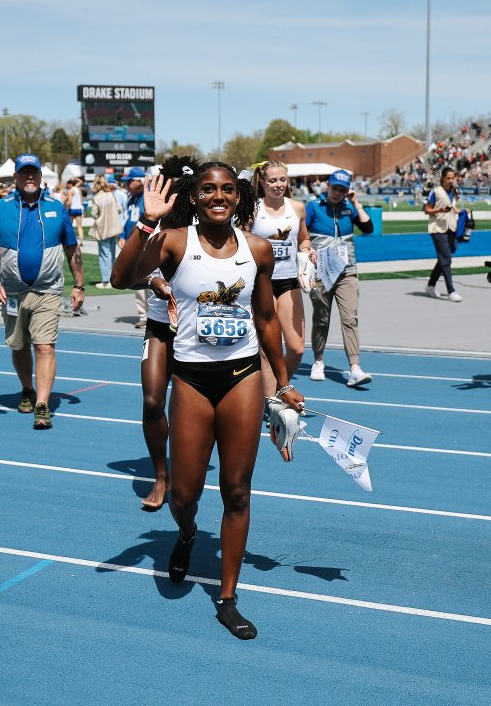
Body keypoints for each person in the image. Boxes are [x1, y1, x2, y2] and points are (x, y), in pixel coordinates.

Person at [111, 162, 304, 640]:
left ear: (238, 197)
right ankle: (188, 532)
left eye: (226, 190)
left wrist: (281, 382)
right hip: (192, 381)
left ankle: (228, 597)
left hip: (241, 378)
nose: (217, 196)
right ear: (193, 197)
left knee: (237, 491)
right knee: (184, 495)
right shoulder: (175, 242)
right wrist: (146, 222)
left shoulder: (258, 249)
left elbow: (265, 320)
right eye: (207, 190)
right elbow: (120, 278)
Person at [115, 154, 197, 511]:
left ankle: (186, 469)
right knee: (152, 401)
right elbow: (126, 272)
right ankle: (161, 475)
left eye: (186, 186)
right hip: (160, 324)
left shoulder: (207, 220)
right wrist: (153, 280)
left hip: (197, 329)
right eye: (173, 184)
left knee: (187, 408)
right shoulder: (154, 220)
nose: (178, 192)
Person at [0, 153, 85, 429]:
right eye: (24, 172)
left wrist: (79, 285)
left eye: (33, 173)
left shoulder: (56, 207)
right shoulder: (1, 209)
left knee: (44, 346)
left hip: (47, 290)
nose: (29, 177)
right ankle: (27, 389)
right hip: (12, 292)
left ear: (40, 176)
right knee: (18, 344)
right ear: (15, 177)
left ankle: (42, 404)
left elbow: (72, 248)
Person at [305, 169, 374, 387]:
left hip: (347, 271)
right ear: (328, 185)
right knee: (322, 318)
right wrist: (307, 250)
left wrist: (356, 203)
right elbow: (301, 234)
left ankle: (355, 367)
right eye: (335, 188)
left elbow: (369, 228)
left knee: (350, 318)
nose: (338, 193)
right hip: (322, 271)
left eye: (343, 190)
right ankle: (318, 361)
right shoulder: (313, 207)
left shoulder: (349, 208)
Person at [250, 160, 311, 401]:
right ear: (263, 183)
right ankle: (271, 403)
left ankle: (279, 389)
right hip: (261, 282)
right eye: (273, 180)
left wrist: (308, 252)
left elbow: (304, 239)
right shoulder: (253, 209)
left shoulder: (297, 208)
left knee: (296, 349)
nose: (278, 185)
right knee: (268, 349)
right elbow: (241, 241)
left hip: (289, 280)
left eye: (282, 180)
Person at [424, 168, 464, 301]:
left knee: (443, 259)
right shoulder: (435, 192)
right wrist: (439, 210)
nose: (451, 180)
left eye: (453, 178)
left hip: (451, 228)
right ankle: (451, 291)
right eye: (448, 178)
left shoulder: (453, 191)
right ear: (442, 177)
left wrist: (461, 211)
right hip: (438, 229)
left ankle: (430, 285)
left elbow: (453, 207)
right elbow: (427, 209)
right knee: (446, 259)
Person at [118, 167, 148, 328]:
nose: (127, 184)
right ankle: (143, 314)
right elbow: (127, 220)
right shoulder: (131, 199)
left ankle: (157, 315)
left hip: (148, 244)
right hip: (134, 245)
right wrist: (122, 236)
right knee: (139, 281)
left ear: (140, 181)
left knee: (152, 280)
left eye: (130, 181)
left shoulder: (148, 198)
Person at [88, 176, 123, 288]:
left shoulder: (97, 198)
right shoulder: (111, 195)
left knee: (104, 255)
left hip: (102, 228)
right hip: (113, 228)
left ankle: (106, 281)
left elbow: (94, 214)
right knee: (111, 254)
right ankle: (112, 279)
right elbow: (119, 208)